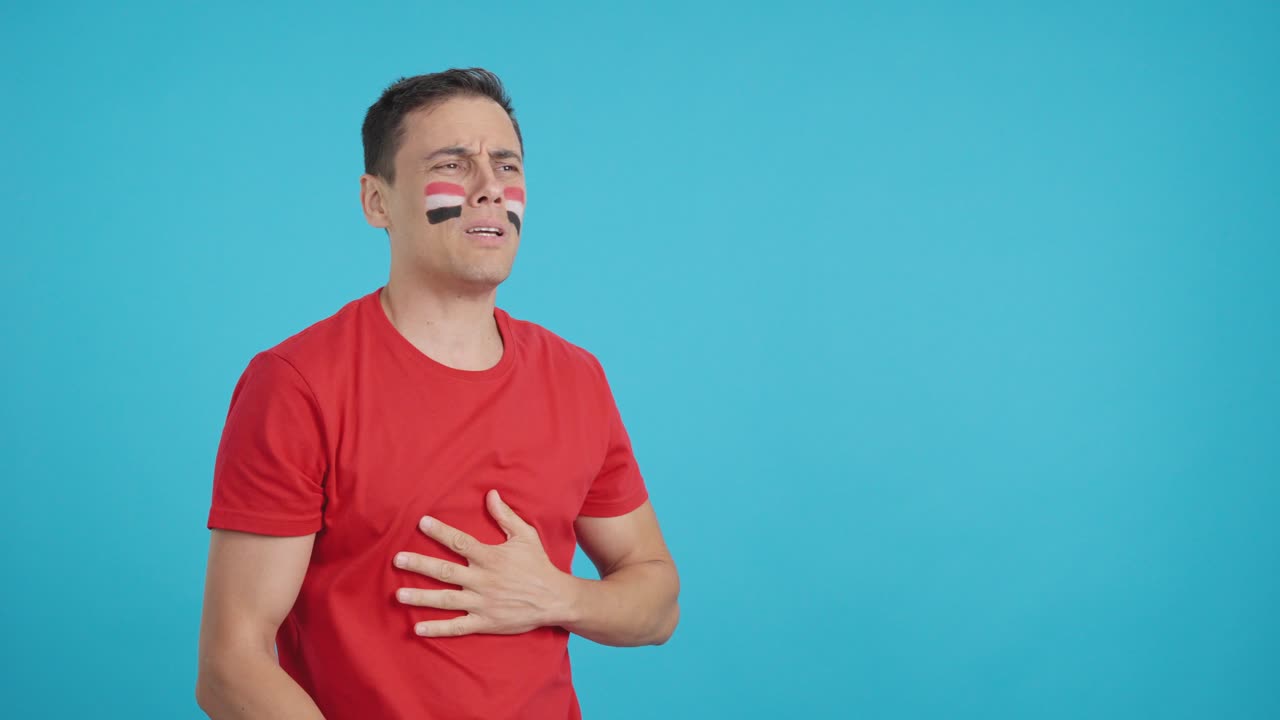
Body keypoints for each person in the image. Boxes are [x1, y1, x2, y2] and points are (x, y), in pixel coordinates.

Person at [194, 68, 680, 719]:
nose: (490, 189)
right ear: (377, 203)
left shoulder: (577, 378)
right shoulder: (298, 384)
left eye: (506, 165)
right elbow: (231, 665)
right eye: (453, 163)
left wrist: (557, 597)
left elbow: (657, 600)